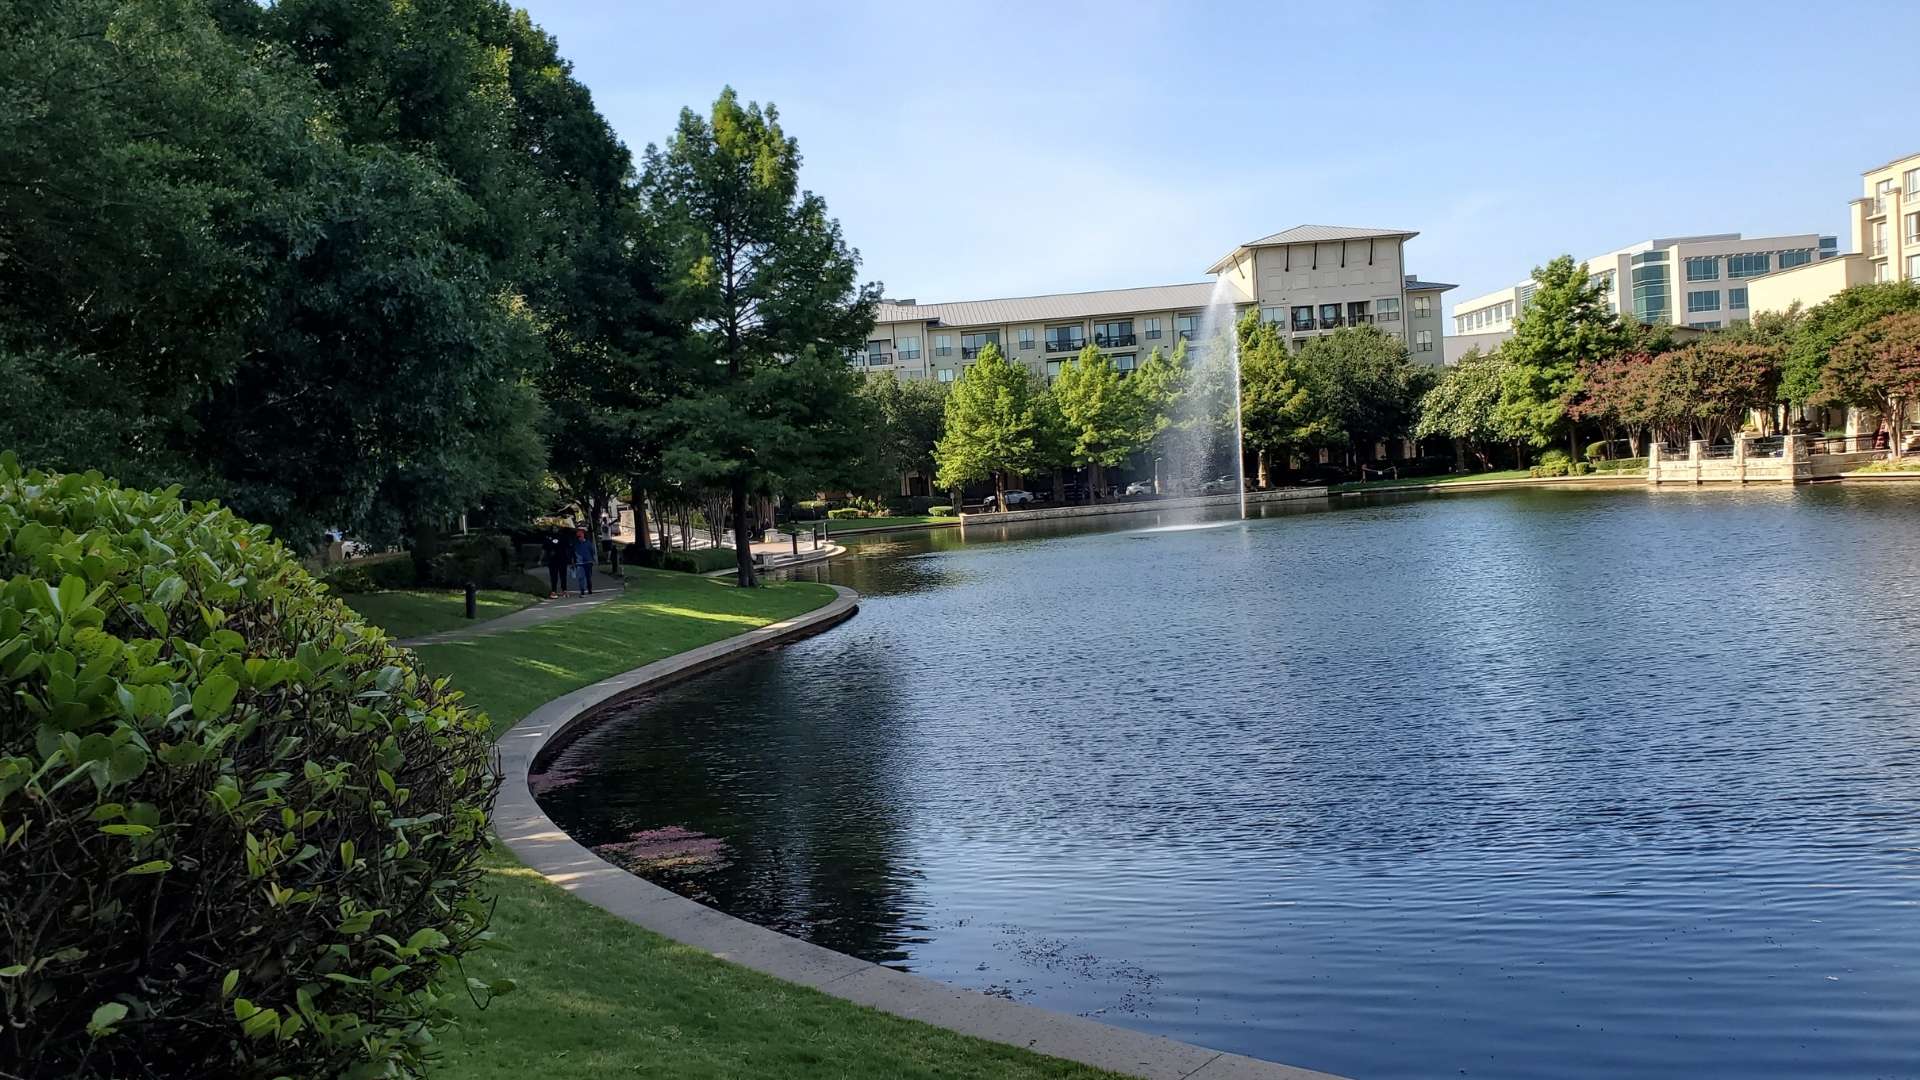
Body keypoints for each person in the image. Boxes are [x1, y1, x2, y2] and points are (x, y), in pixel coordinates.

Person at [543, 528, 570, 599]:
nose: (555, 529)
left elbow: (567, 548)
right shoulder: (548, 537)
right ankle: (553, 591)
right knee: (553, 577)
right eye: (554, 527)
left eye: (556, 527)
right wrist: (541, 559)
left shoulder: (563, 537)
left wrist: (569, 559)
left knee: (563, 576)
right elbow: (544, 549)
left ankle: (564, 590)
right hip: (552, 561)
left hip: (562, 560)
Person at [573, 526, 597, 596]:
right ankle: (582, 590)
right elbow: (573, 553)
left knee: (588, 577)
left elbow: (592, 551)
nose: (579, 538)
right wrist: (573, 562)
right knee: (581, 577)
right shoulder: (576, 544)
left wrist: (593, 559)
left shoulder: (588, 543)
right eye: (578, 536)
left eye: (580, 536)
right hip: (579, 563)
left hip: (588, 562)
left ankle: (589, 589)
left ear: (583, 535)